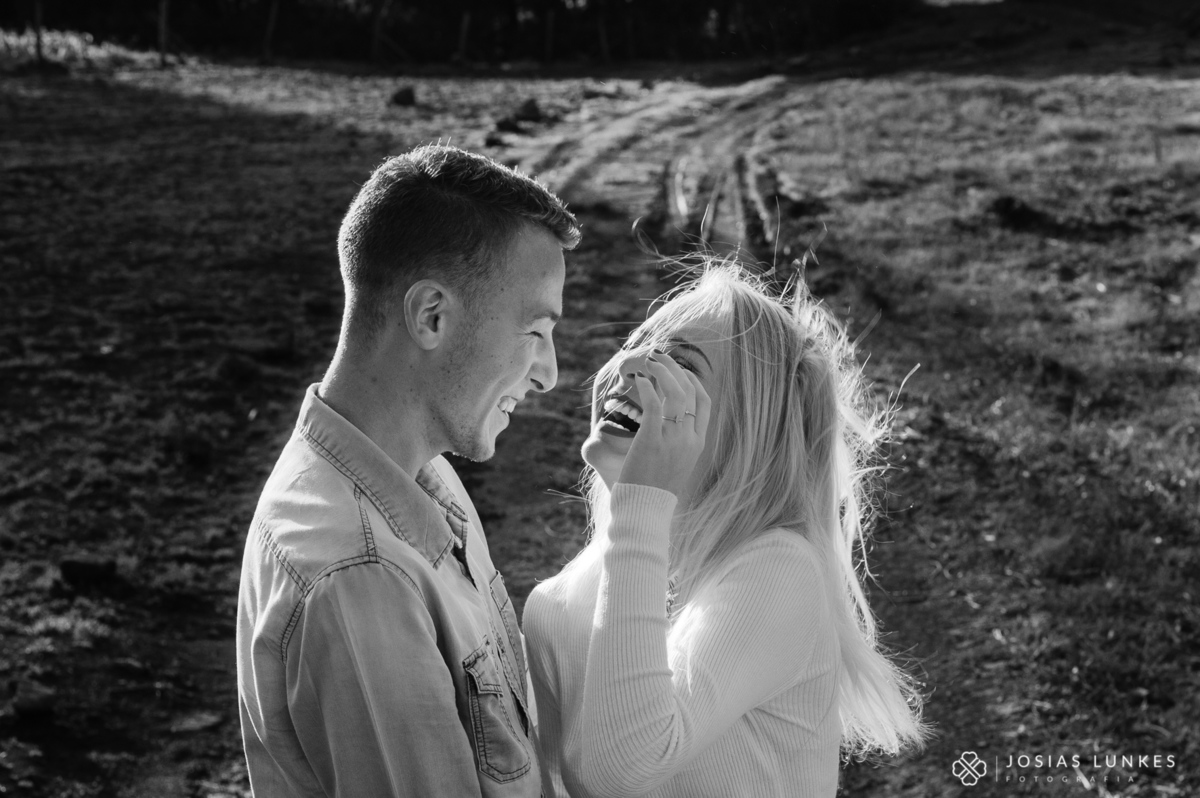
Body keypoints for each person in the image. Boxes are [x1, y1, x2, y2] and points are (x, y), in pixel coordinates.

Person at [236, 144, 580, 797]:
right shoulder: (363, 575)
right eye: (535, 332)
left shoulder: (421, 474)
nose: (549, 373)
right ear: (431, 316)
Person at [523, 260, 928, 798]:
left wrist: (643, 501)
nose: (632, 366)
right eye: (640, 342)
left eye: (680, 363)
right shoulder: (612, 562)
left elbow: (617, 770)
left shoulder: (780, 568)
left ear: (744, 428)